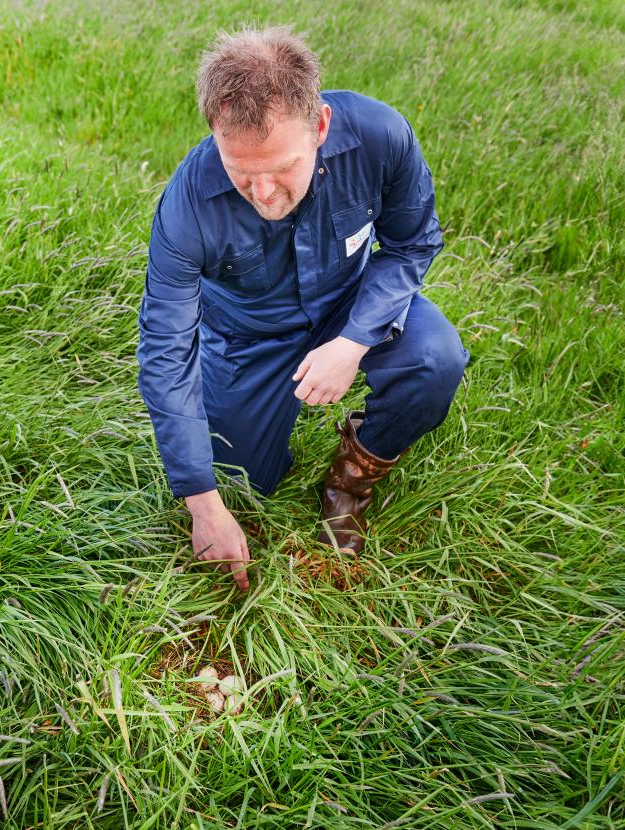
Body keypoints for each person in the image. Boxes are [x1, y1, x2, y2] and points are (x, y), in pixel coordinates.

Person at [137, 25, 470, 591]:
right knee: (241, 482)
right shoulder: (186, 206)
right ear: (215, 133)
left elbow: (414, 243)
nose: (263, 193)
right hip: (250, 334)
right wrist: (202, 504)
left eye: (281, 169)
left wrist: (354, 340)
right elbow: (165, 354)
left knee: (437, 359)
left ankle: (353, 476)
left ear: (319, 126)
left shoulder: (382, 137)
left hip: (351, 302)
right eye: (242, 173)